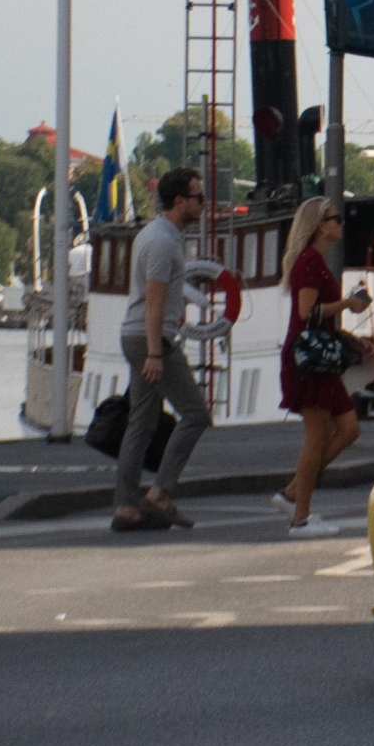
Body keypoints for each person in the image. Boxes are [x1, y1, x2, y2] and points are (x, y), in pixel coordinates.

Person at [114, 168, 212, 533]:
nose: (203, 204)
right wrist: (156, 352)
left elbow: (161, 299)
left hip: (140, 334)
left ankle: (126, 507)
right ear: (179, 201)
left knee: (141, 422)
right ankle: (159, 494)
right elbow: (153, 300)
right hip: (148, 339)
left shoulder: (156, 235)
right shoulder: (163, 242)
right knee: (195, 414)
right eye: (198, 198)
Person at [277, 198, 372, 537]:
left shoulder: (315, 261)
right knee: (317, 436)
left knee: (348, 430)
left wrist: (349, 337)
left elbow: (316, 316)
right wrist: (347, 303)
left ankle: (293, 493)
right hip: (308, 362)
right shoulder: (309, 262)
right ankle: (300, 517)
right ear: (320, 225)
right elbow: (306, 313)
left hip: (319, 358)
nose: (340, 224)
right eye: (335, 218)